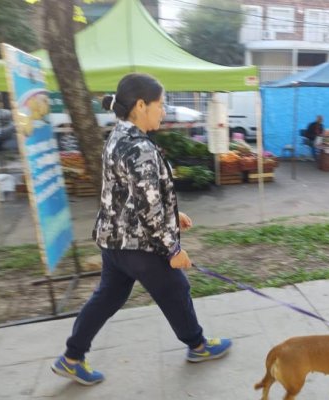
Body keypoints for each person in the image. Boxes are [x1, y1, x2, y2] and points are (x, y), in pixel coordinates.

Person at [51, 73, 231, 386]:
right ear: (140, 105)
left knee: (107, 297)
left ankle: (71, 357)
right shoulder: (140, 149)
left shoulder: (118, 136)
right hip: (139, 246)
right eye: (160, 104)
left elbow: (132, 195)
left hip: (114, 241)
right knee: (176, 289)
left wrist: (174, 214)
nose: (164, 110)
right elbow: (148, 211)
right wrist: (174, 250)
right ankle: (198, 346)